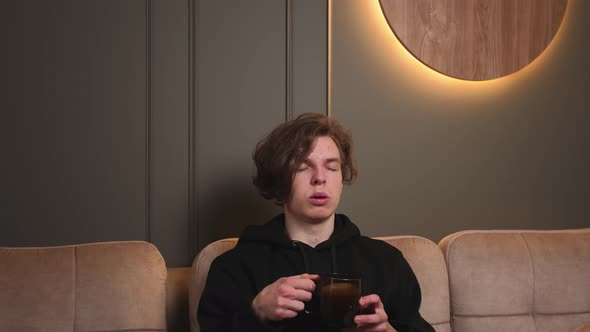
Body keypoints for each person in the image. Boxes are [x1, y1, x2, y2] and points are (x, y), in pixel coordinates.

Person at [198, 113, 434, 332]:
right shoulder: (235, 266)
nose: (320, 178)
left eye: (331, 167)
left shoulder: (386, 262)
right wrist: (257, 313)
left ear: (342, 179)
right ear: (278, 181)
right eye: (303, 167)